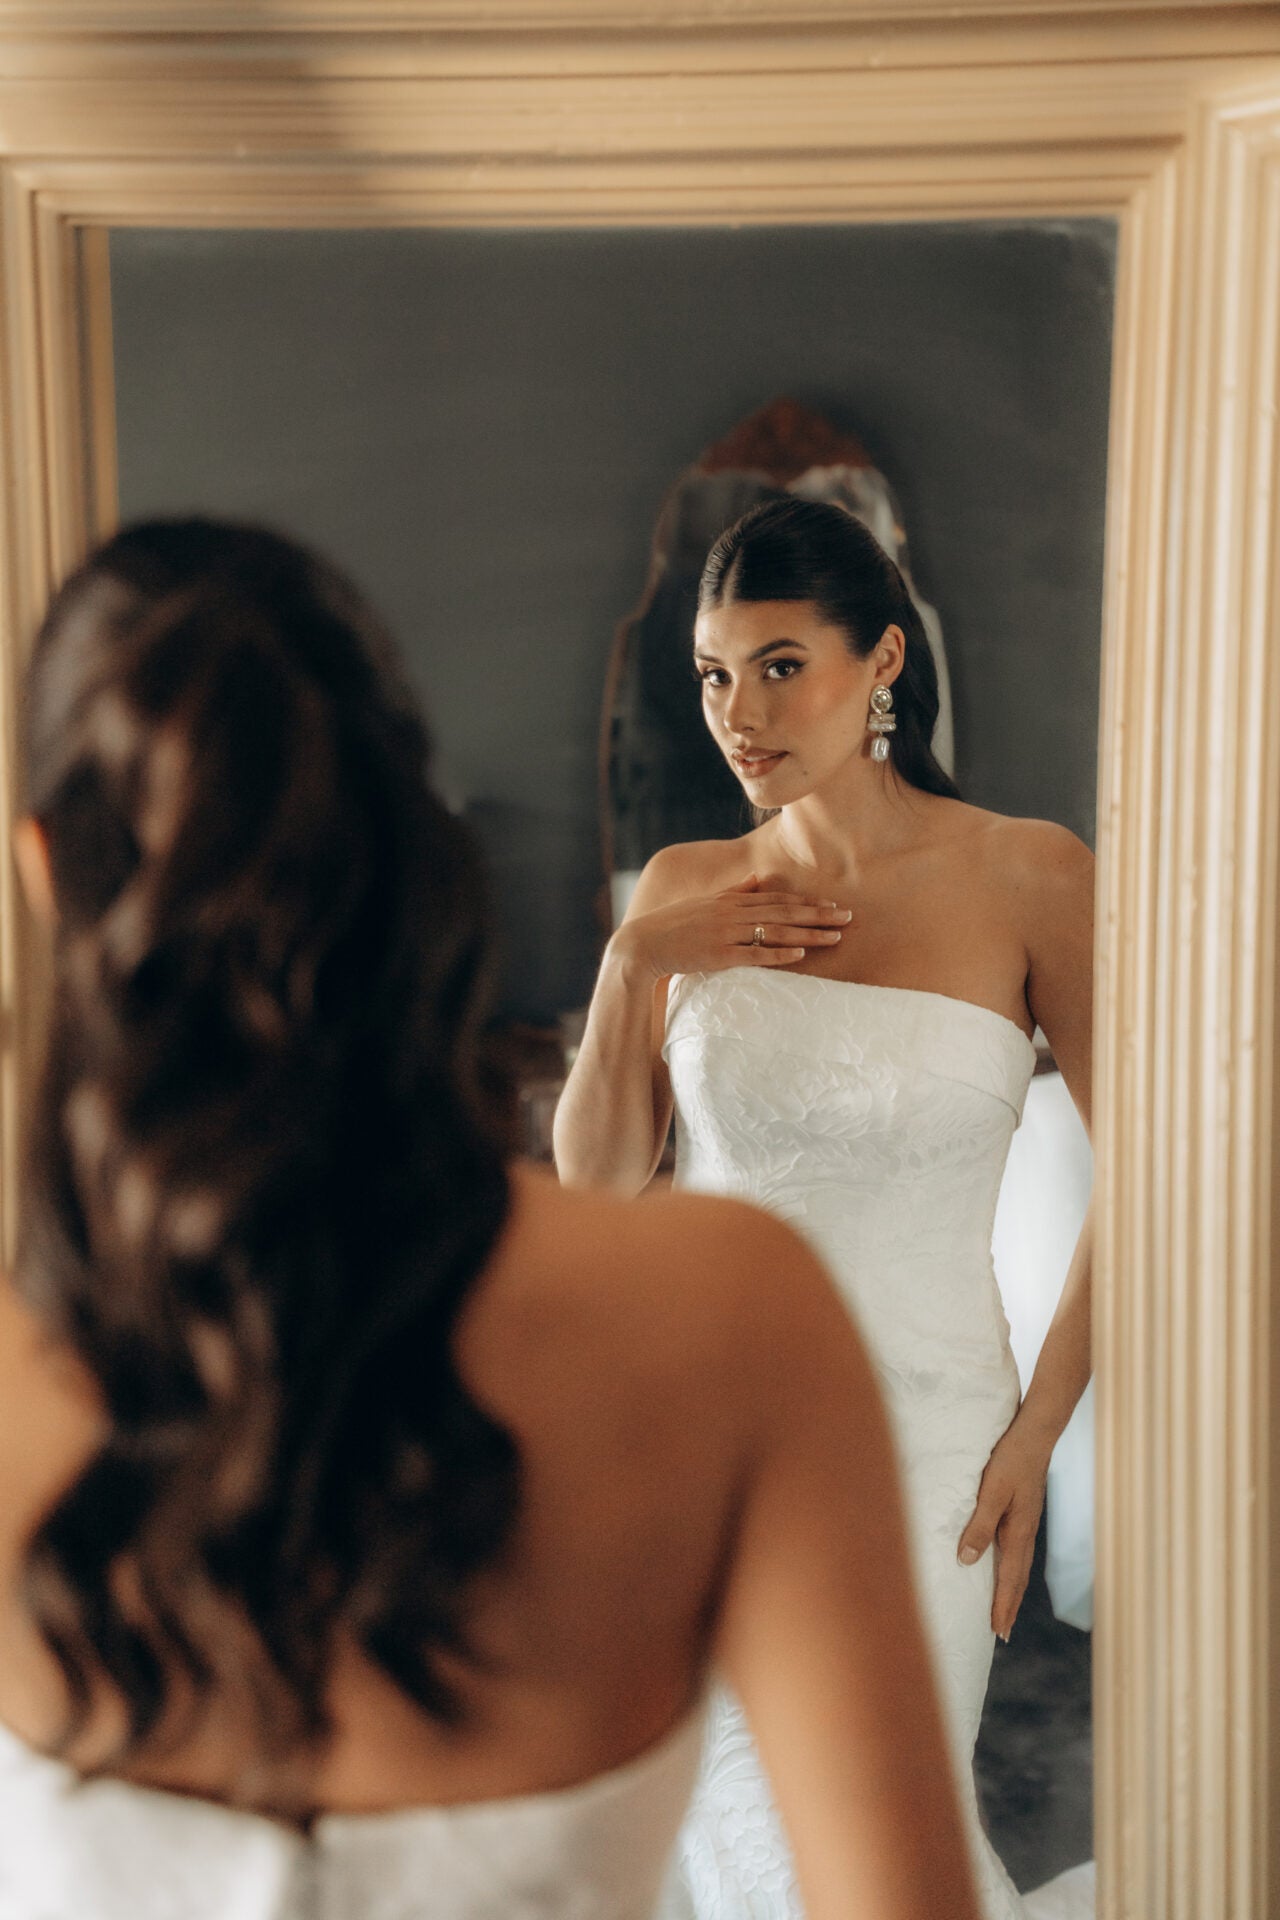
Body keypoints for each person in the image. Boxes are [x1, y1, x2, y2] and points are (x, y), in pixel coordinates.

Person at [0, 518, 982, 1920]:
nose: (739, 712)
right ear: (414, 845)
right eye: (717, 672)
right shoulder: (740, 1317)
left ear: (45, 873)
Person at [554, 496, 1095, 1920]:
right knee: (720, 1837)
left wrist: (1043, 1424)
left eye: (782, 663)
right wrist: (632, 966)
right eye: (716, 673)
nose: (741, 711)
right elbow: (597, 1184)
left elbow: (1161, 1169)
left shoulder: (1027, 874)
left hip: (929, 1445)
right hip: (697, 1433)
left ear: (885, 664)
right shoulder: (685, 891)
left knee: (857, 1853)